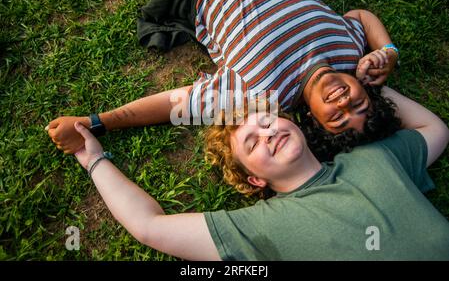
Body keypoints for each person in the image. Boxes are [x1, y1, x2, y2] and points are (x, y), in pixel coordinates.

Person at [46, 0, 401, 158]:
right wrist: (387, 51)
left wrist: (95, 122)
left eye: (338, 119)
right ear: (367, 91)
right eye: (360, 106)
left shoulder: (262, 97)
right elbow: (362, 15)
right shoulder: (352, 52)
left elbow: (178, 104)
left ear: (312, 120)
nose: (345, 104)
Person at [71, 86, 449, 260]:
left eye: (267, 123)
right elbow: (149, 226)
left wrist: (370, 84)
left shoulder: (374, 157)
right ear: (255, 179)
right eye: (251, 144)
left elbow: (435, 131)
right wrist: (95, 161)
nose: (267, 135)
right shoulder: (258, 226)